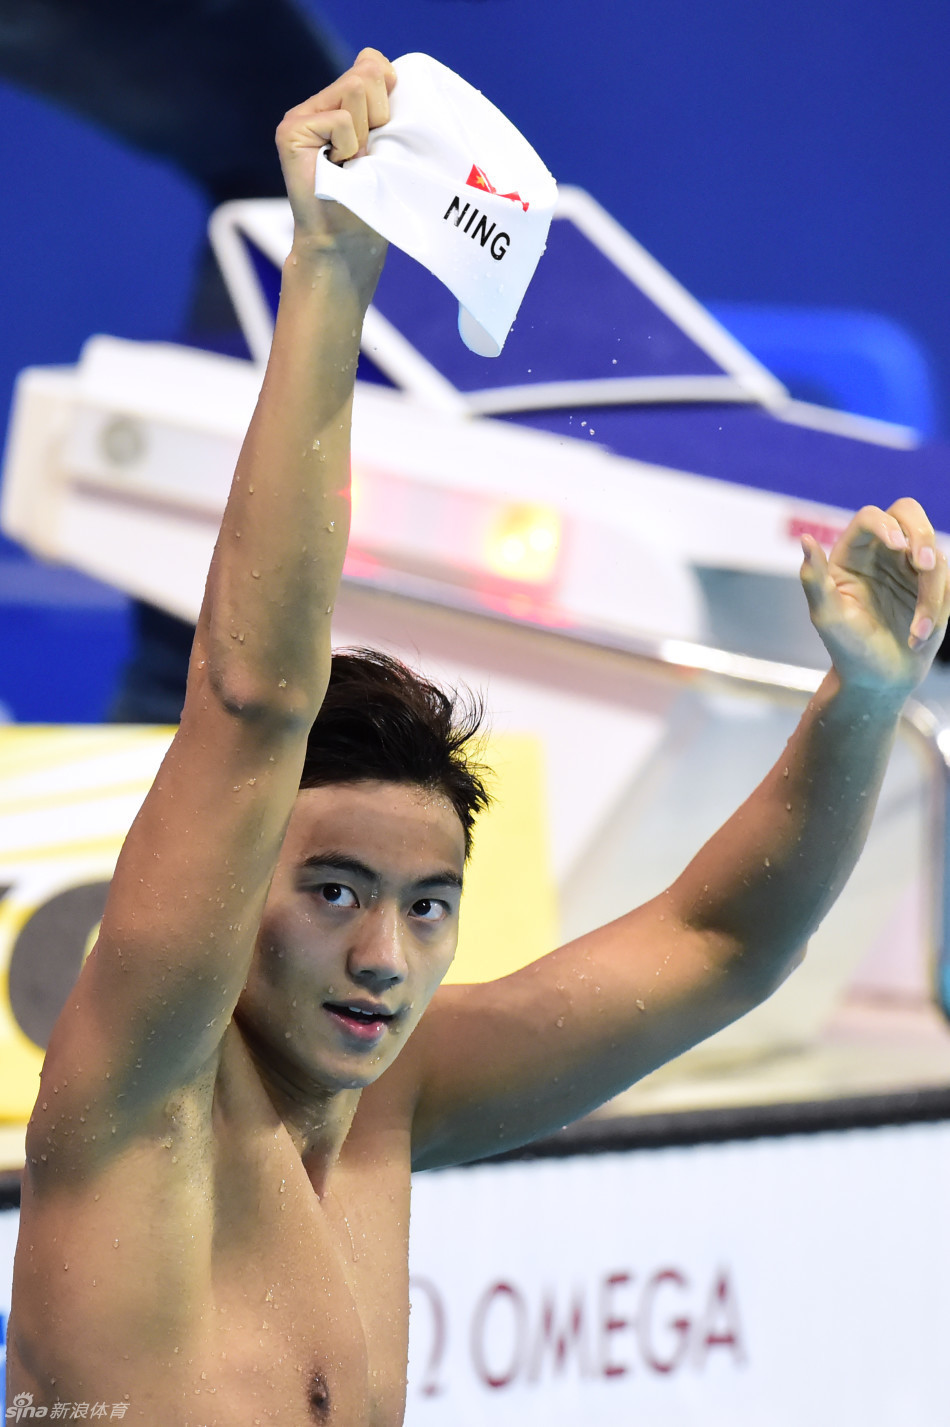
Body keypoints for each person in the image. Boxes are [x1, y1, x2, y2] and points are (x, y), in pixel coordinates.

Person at [6, 49, 950, 1425]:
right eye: (335, 893)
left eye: (427, 905)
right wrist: (330, 270)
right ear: (233, 888)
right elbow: (251, 698)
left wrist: (862, 701)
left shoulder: (394, 1093)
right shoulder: (142, 1090)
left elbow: (720, 944)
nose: (385, 958)